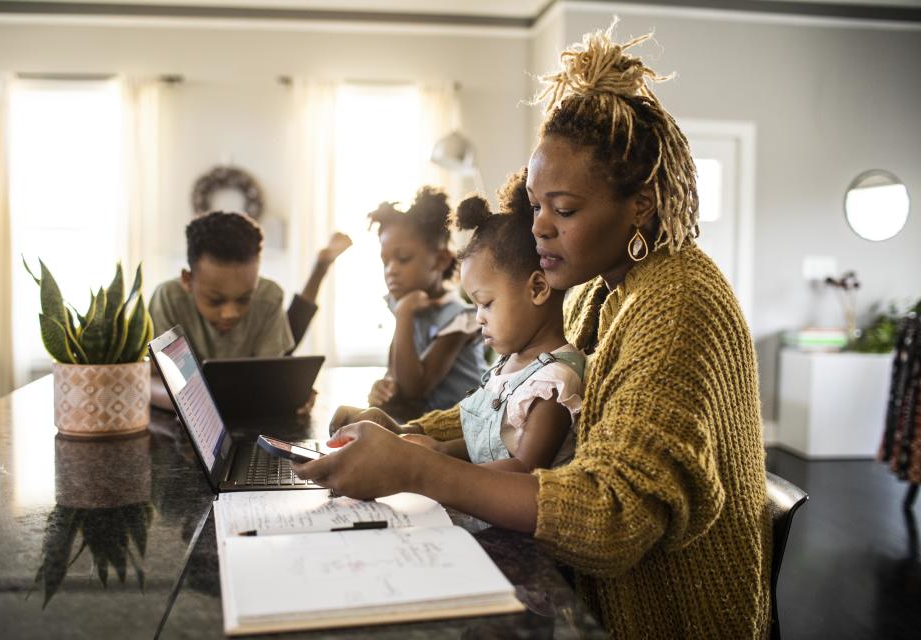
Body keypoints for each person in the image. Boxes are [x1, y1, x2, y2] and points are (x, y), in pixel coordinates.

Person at [296, 21, 770, 639]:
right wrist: (405, 437)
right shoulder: (598, 288)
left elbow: (612, 516)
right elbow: (507, 398)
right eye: (537, 204)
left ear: (642, 206)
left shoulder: (679, 304)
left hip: (664, 616)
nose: (540, 227)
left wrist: (418, 470)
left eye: (565, 209)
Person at [403, 171, 585, 472]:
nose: (479, 318)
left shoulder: (553, 382)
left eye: (486, 304)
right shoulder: (509, 364)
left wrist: (432, 467)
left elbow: (522, 469)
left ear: (538, 288)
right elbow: (488, 442)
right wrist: (438, 449)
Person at [149, 211, 351, 409]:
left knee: (289, 341)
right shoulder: (168, 298)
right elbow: (147, 380)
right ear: (187, 280)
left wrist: (288, 391)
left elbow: (270, 375)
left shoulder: (268, 295)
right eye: (215, 300)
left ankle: (320, 267)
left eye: (245, 298)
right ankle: (321, 266)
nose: (231, 313)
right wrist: (194, 403)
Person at [365, 187, 486, 421]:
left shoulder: (460, 318)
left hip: (461, 429)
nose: (391, 271)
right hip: (420, 424)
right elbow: (397, 376)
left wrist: (403, 315)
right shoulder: (405, 306)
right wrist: (384, 387)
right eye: (385, 261)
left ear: (440, 260)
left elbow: (414, 388)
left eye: (403, 259)